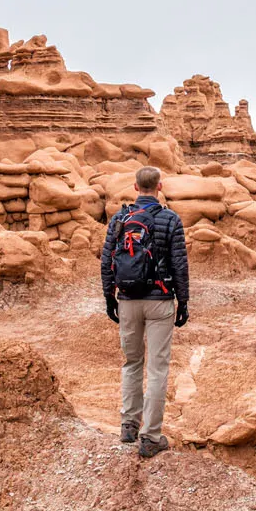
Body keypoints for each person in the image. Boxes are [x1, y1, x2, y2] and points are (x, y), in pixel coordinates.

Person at [100, 165, 190, 459]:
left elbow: (106, 261)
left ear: (136, 188)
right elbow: (179, 265)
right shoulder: (170, 219)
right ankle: (150, 437)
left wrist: (109, 297)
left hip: (126, 298)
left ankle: (129, 425)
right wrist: (183, 301)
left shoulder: (120, 218)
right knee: (158, 367)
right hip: (160, 300)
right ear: (160, 187)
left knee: (131, 362)